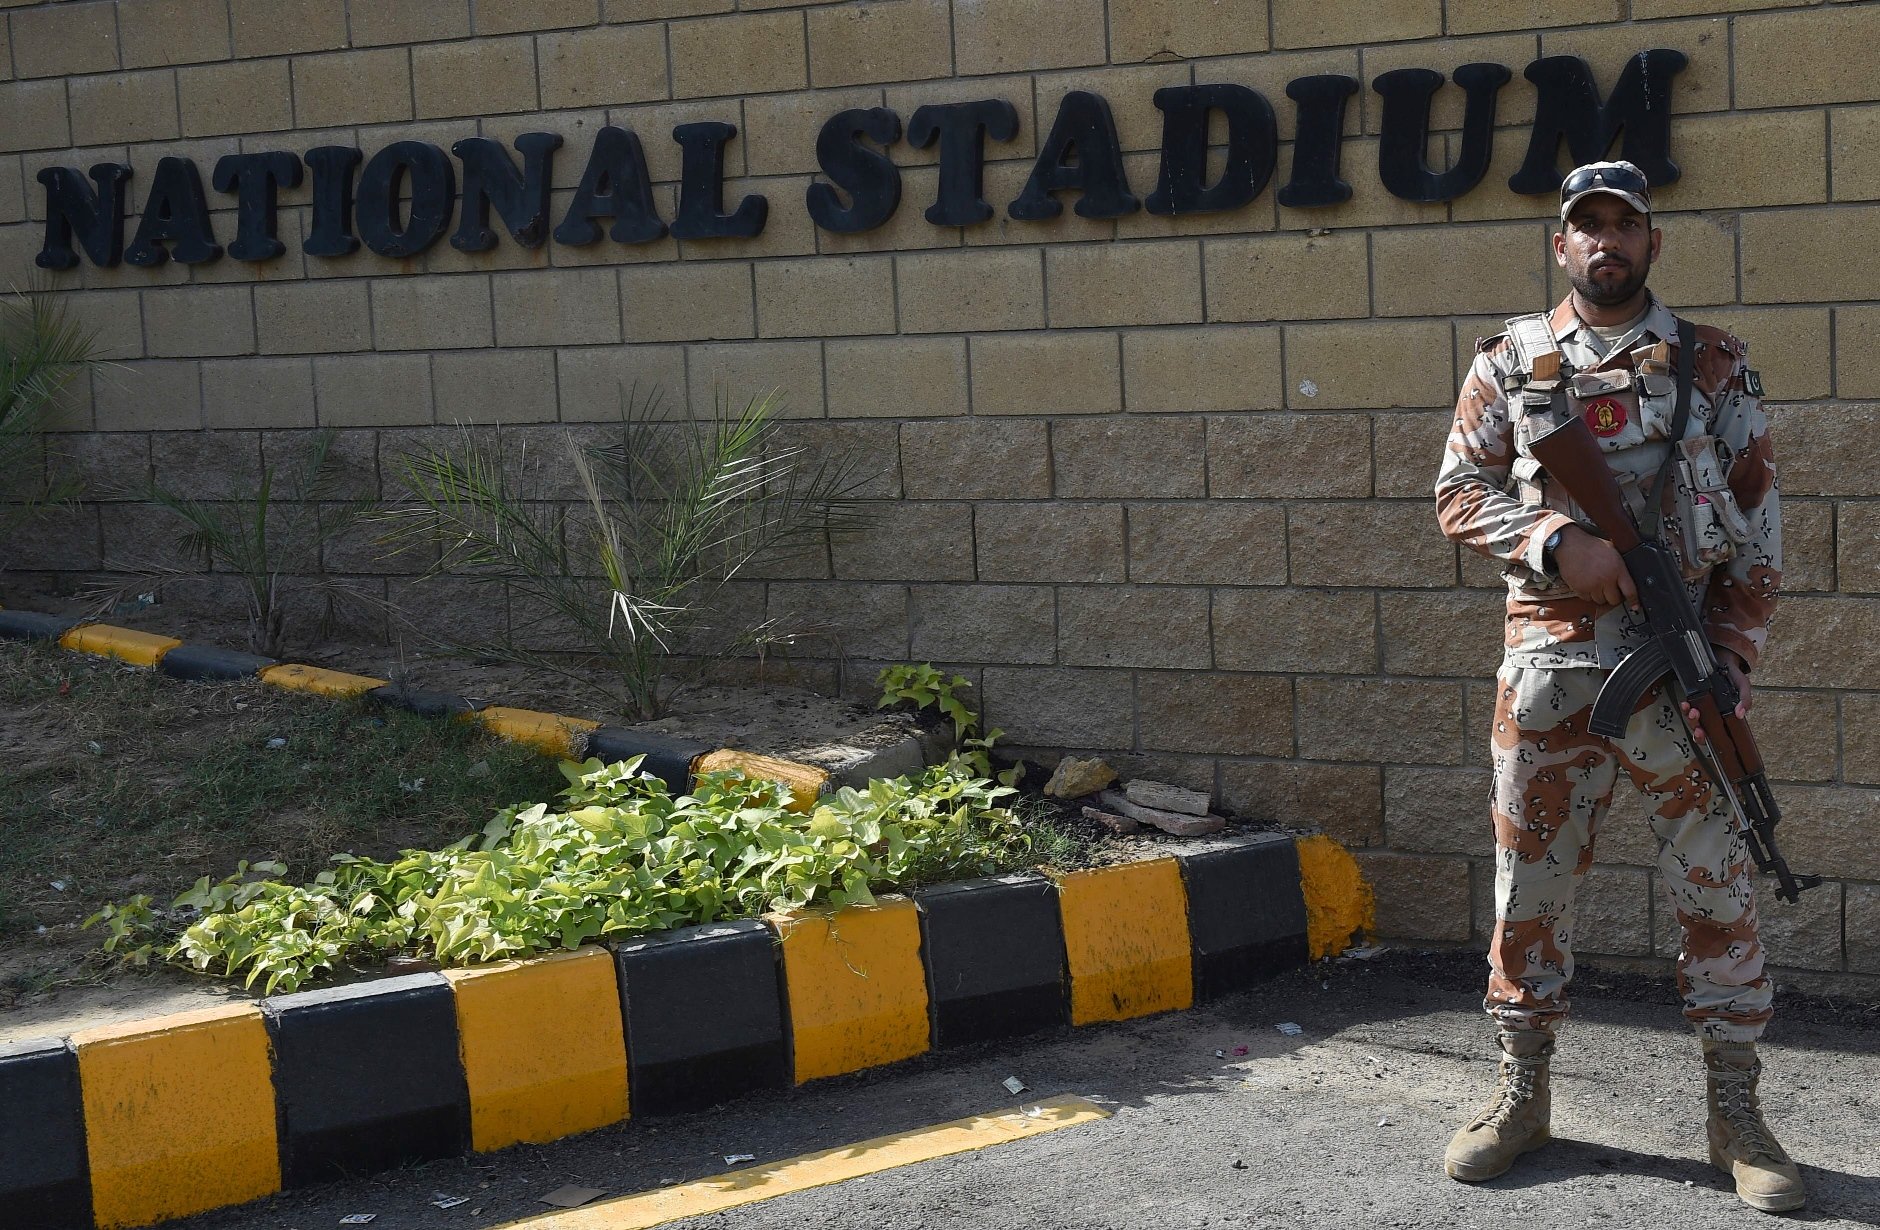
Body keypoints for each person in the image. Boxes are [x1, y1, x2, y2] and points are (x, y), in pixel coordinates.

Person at [1432, 160, 1801, 1213]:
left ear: (1649, 242)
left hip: (1679, 684)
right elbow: (1456, 493)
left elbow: (1759, 529)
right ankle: (1520, 1097)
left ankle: (1736, 1113)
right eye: (1584, 227)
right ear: (1560, 244)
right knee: (1525, 893)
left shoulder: (1713, 364)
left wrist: (1726, 661)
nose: (1604, 242)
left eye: (1622, 226)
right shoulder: (1510, 359)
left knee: (1718, 890)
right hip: (1547, 671)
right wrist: (1553, 541)